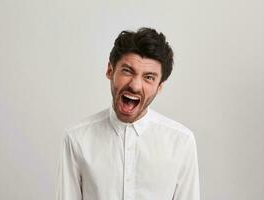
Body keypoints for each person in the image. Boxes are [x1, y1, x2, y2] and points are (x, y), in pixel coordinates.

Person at [56, 27, 200, 200]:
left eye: (149, 77)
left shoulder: (181, 142)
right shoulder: (76, 138)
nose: (135, 85)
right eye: (127, 71)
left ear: (160, 86)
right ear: (110, 70)